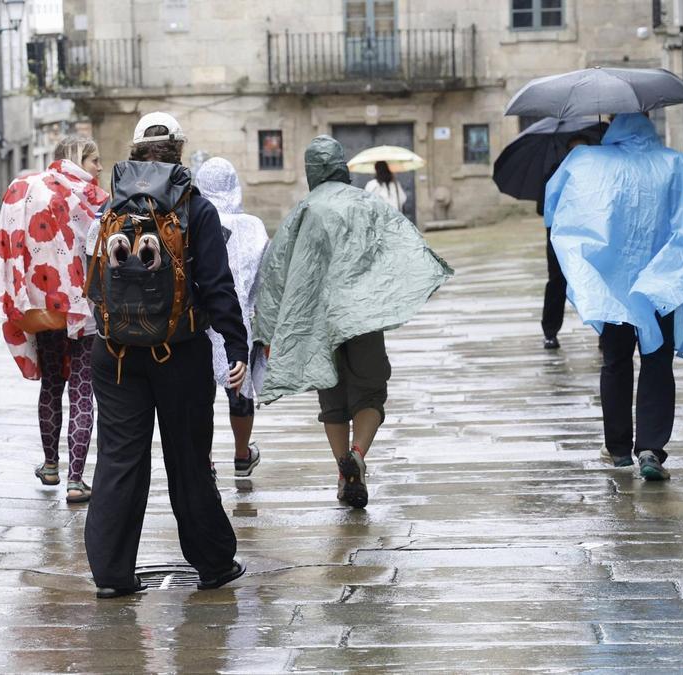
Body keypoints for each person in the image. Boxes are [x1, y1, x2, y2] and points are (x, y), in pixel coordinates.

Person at [83, 112, 248, 598]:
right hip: (179, 352)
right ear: (178, 151)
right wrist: (235, 345)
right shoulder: (196, 208)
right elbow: (217, 287)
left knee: (118, 460)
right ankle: (213, 563)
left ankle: (112, 575)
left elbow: (93, 282)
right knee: (188, 458)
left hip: (114, 353)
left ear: (134, 152)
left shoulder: (110, 206)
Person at [254, 136, 452, 509]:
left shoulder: (301, 212)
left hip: (318, 320)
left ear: (311, 171)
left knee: (331, 396)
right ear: (341, 166)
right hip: (362, 314)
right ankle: (358, 454)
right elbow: (400, 243)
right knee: (371, 391)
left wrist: (266, 332)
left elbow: (276, 273)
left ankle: (342, 473)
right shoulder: (367, 203)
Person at [545, 113, 683, 480]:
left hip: (613, 288)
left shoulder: (587, 164)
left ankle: (619, 449)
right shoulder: (678, 165)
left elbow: (556, 209)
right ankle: (651, 448)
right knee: (657, 362)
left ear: (612, 122)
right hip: (662, 285)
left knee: (616, 361)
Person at [0, 135, 109, 504]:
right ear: (76, 159)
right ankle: (76, 479)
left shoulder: (31, 190)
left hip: (46, 304)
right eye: (94, 160)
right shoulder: (93, 197)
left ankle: (51, 465)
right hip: (85, 309)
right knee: (82, 390)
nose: (99, 167)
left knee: (53, 385)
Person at [195, 157, 270, 477]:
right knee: (239, 389)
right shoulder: (253, 226)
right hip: (242, 321)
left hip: (201, 321)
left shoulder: (194, 219)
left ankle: (206, 460)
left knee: (200, 395)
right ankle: (241, 454)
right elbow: (265, 279)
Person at [537, 136, 591, 350]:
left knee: (598, 284)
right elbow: (542, 208)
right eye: (574, 150)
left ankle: (606, 336)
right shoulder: (555, 173)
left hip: (591, 237)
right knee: (557, 284)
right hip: (559, 239)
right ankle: (550, 332)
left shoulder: (598, 173)